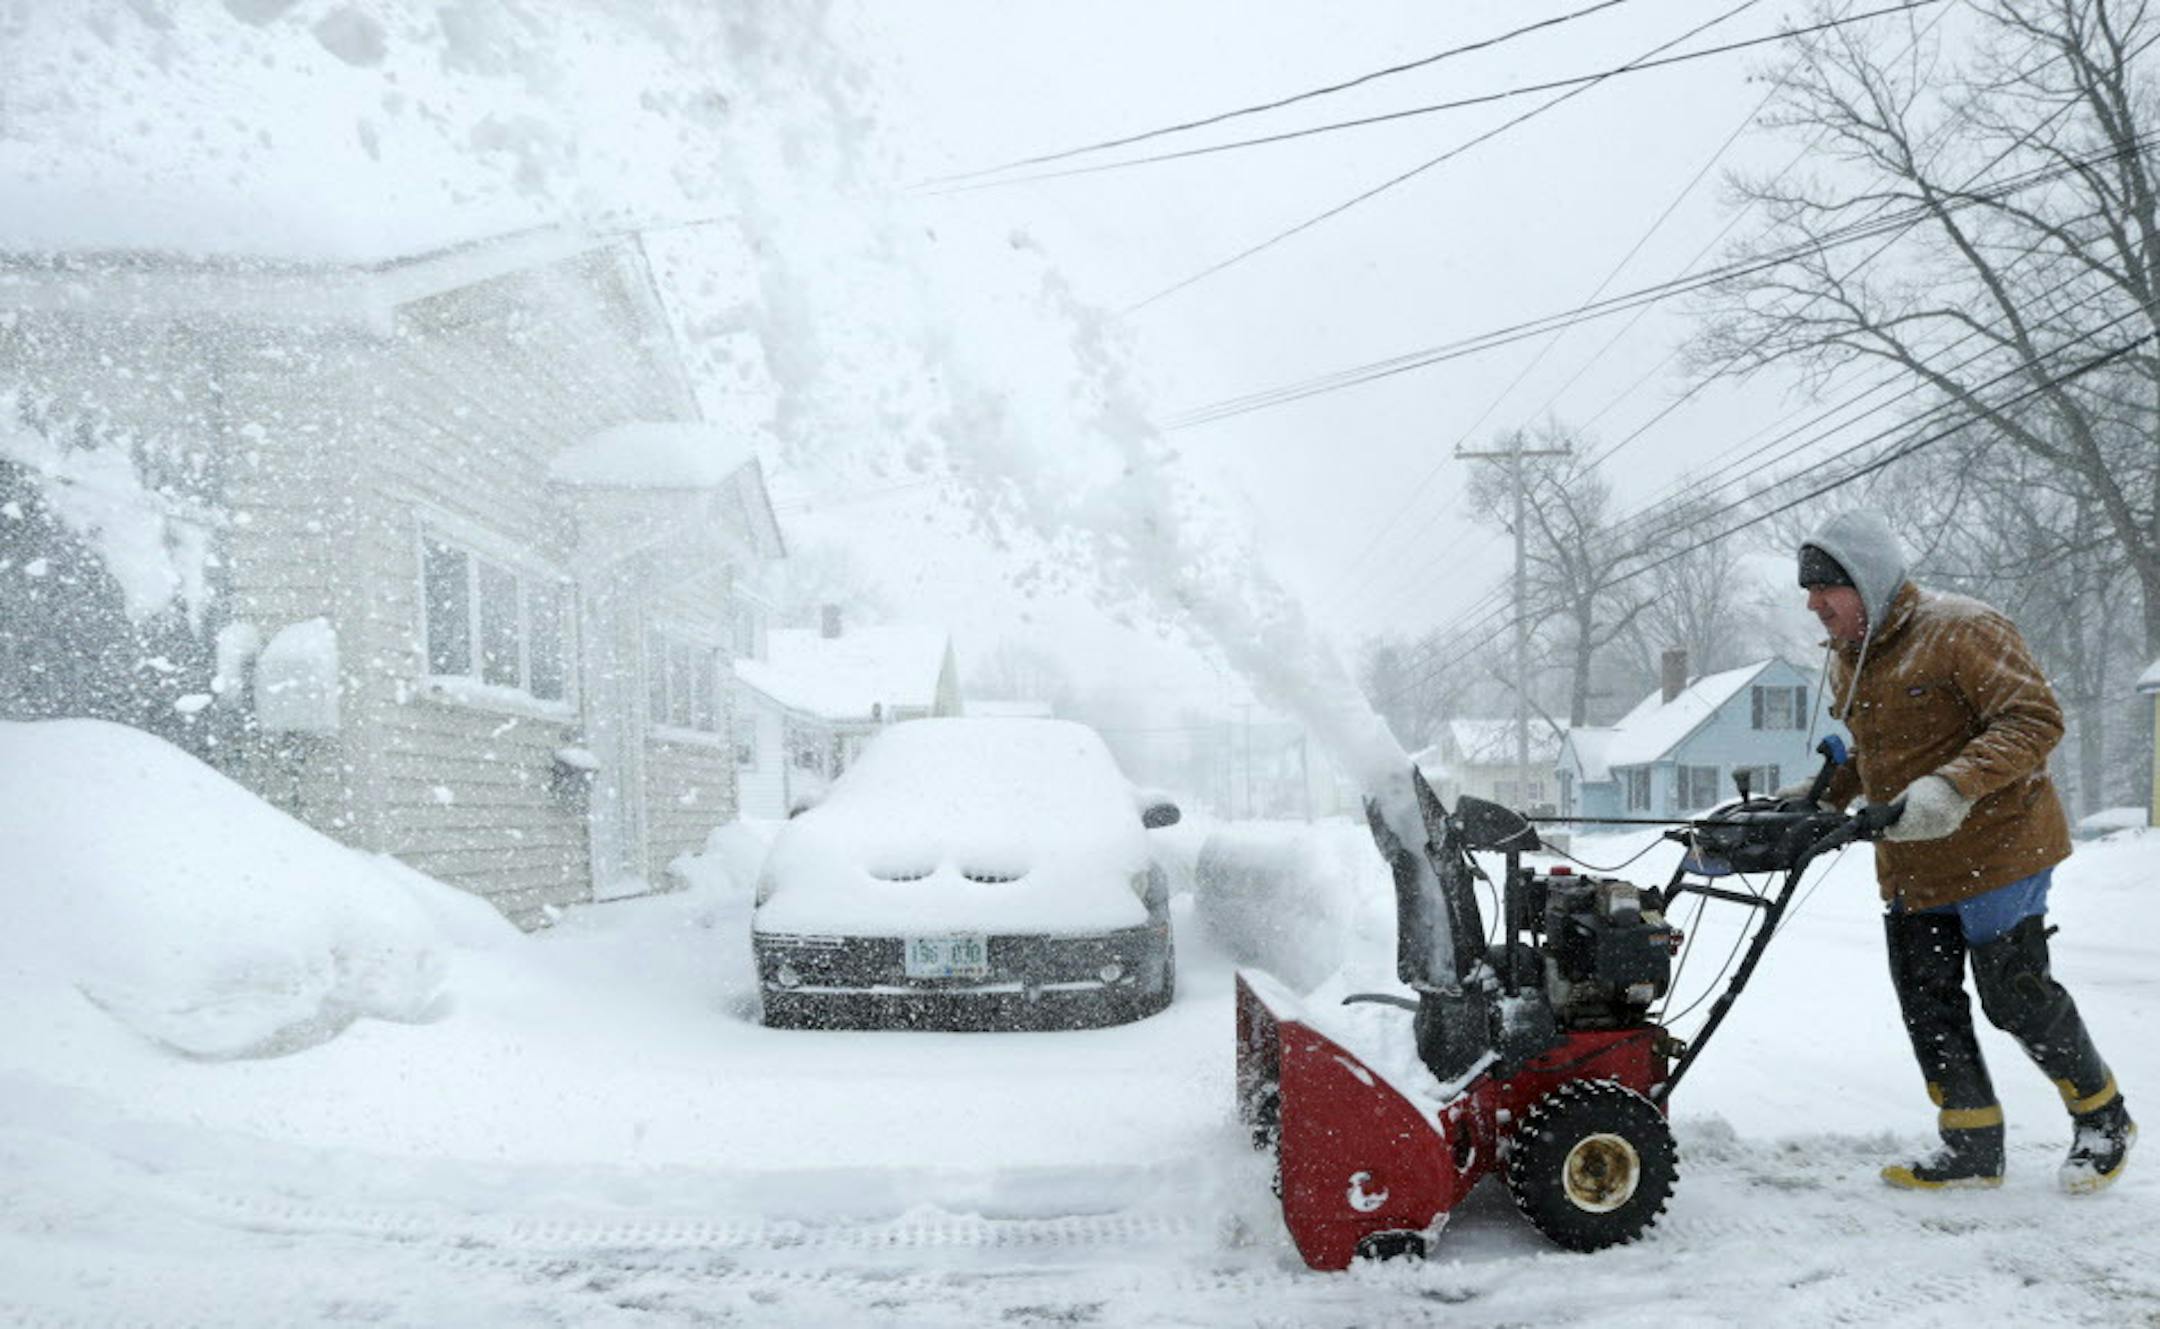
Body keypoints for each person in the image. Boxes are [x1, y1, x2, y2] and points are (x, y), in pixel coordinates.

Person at [1794, 508, 2134, 1193]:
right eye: (1808, 591)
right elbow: (1878, 754)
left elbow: (2035, 718)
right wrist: (1820, 795)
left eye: (1826, 588)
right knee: (1926, 996)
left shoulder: (1960, 629)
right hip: (1911, 860)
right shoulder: (1850, 660)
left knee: (2014, 993)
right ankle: (1972, 1142)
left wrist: (1953, 785)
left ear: (1868, 581)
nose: (1814, 604)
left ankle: (2104, 1115)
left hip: (1997, 847)